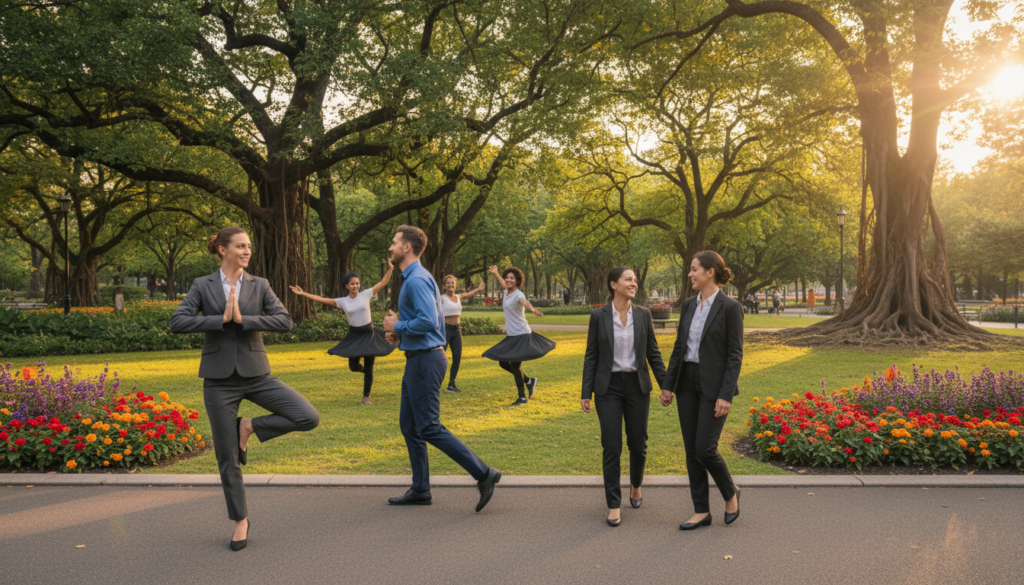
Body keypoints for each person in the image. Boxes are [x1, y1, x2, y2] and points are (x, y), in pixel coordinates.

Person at [170, 226, 320, 551]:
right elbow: (177, 321)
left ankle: (248, 426)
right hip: (218, 381)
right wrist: (219, 320)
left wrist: (245, 320)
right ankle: (240, 520)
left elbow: (284, 320)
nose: (247, 251)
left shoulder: (260, 285)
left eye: (249, 246)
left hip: (257, 374)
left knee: (307, 416)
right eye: (240, 246)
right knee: (227, 458)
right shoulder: (202, 286)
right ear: (223, 250)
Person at [381, 225, 502, 511]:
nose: (391, 247)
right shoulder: (414, 277)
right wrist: (401, 335)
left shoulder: (416, 280)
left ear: (407, 247)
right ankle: (421, 488)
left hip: (425, 360)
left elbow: (429, 321)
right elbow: (427, 322)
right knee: (410, 426)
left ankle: (485, 474)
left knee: (429, 426)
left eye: (394, 242)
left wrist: (397, 325)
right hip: (417, 358)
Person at [660, 250, 743, 531]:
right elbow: (679, 349)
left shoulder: (730, 308)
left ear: (710, 272)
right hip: (687, 384)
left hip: (714, 386)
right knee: (691, 451)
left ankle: (730, 493)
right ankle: (701, 511)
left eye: (694, 269)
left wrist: (726, 394)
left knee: (705, 448)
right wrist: (668, 386)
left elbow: (735, 356)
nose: (690, 274)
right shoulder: (687, 305)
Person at [581, 267, 666, 527]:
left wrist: (666, 385)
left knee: (638, 443)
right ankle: (614, 503)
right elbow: (591, 355)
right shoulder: (598, 315)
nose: (634, 283)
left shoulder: (643, 314)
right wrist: (586, 392)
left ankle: (636, 485)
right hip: (608, 389)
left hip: (637, 386)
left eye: (635, 280)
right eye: (628, 279)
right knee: (611, 445)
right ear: (613, 284)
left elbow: (653, 352)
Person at [289, 261, 396, 404]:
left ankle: (366, 396)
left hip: (369, 333)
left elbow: (383, 282)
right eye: (352, 284)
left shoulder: (365, 295)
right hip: (354, 335)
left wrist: (390, 268)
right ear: (347, 286)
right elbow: (322, 300)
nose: (356, 286)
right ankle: (366, 372)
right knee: (353, 367)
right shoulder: (343, 301)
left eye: (357, 283)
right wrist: (303, 294)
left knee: (370, 366)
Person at [482, 265, 555, 405]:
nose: (508, 280)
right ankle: (529, 381)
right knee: (503, 362)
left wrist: (532, 309)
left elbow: (524, 302)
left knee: (515, 367)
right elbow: (503, 284)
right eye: (507, 278)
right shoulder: (506, 292)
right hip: (512, 336)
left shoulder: (519, 295)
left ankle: (522, 398)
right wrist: (497, 273)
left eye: (512, 278)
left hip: (521, 334)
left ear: (517, 281)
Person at [441, 275, 486, 393]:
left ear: (456, 285)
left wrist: (478, 289)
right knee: (440, 359)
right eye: (448, 283)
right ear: (444, 285)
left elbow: (468, 294)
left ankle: (451, 384)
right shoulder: (441, 298)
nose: (450, 285)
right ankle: (434, 384)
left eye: (453, 283)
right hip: (445, 330)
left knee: (457, 358)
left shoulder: (458, 297)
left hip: (457, 331)